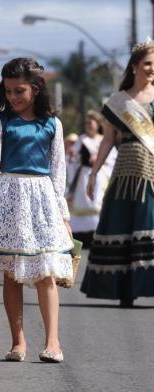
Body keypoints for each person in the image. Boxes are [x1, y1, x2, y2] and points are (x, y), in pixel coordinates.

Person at [0, 58, 74, 363]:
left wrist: (63, 214)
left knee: (46, 274)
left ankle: (53, 342)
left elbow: (59, 173)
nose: (13, 97)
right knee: (12, 275)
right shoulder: (0, 122)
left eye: (20, 91)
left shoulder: (53, 124)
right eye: (9, 91)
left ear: (36, 89)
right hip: (7, 198)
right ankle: (18, 342)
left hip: (42, 201)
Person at [81, 39, 154, 307]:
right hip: (126, 172)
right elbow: (108, 140)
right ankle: (125, 288)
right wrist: (93, 173)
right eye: (147, 63)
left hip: (152, 170)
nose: (152, 68)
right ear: (135, 66)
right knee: (124, 224)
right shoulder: (118, 102)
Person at [68, 111, 116, 247]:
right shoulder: (82, 139)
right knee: (83, 202)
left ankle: (99, 232)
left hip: (100, 176)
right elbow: (74, 158)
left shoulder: (104, 139)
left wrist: (100, 160)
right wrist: (72, 156)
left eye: (91, 122)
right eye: (86, 123)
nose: (88, 125)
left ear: (97, 124)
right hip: (84, 176)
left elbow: (113, 157)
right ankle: (82, 235)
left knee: (98, 202)